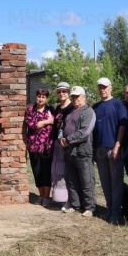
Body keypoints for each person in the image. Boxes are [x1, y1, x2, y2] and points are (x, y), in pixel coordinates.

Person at [93, 77, 127, 224]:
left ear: (111, 88)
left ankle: (116, 213)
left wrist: (117, 146)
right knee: (105, 182)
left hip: (114, 148)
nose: (102, 90)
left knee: (116, 182)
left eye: (105, 87)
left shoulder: (118, 104)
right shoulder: (96, 106)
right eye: (100, 87)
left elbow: (122, 125)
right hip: (100, 149)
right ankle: (109, 208)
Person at [59, 86, 97, 217]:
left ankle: (90, 208)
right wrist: (60, 138)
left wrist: (68, 140)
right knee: (72, 180)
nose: (75, 99)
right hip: (69, 152)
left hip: (82, 152)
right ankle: (76, 205)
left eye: (78, 96)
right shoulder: (69, 112)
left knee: (87, 181)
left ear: (84, 97)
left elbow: (85, 133)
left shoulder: (88, 112)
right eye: (73, 96)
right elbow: (62, 127)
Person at [23, 87, 55, 206]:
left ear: (46, 98)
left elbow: (55, 121)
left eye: (43, 97)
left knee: (46, 171)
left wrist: (44, 122)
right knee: (37, 171)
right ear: (36, 97)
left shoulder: (50, 109)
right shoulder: (30, 110)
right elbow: (31, 124)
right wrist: (46, 122)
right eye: (39, 96)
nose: (40, 99)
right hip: (34, 146)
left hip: (47, 146)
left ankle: (46, 197)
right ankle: (40, 195)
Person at [51, 82, 75, 211]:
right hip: (57, 144)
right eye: (59, 91)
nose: (62, 94)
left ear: (68, 93)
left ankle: (69, 200)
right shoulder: (57, 108)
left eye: (64, 91)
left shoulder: (72, 107)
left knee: (67, 172)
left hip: (68, 144)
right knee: (58, 172)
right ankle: (60, 199)